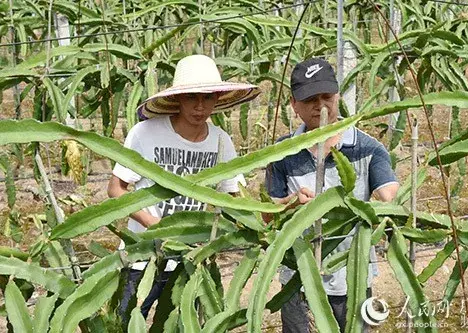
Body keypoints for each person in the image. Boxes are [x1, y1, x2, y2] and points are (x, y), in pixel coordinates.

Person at [107, 54, 260, 327]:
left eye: (208, 97)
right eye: (192, 97)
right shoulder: (145, 133)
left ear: (217, 99)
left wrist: (275, 210)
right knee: (126, 324)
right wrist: (156, 226)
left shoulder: (221, 142)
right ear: (178, 98)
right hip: (140, 257)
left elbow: (235, 199)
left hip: (188, 258)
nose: (200, 106)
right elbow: (116, 189)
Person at [264, 58, 399, 333]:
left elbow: (390, 196)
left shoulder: (367, 147)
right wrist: (289, 204)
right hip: (297, 277)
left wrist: (387, 201)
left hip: (352, 276)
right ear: (294, 104)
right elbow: (266, 213)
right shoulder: (282, 152)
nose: (320, 105)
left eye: (326, 96)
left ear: (337, 95)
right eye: (310, 98)